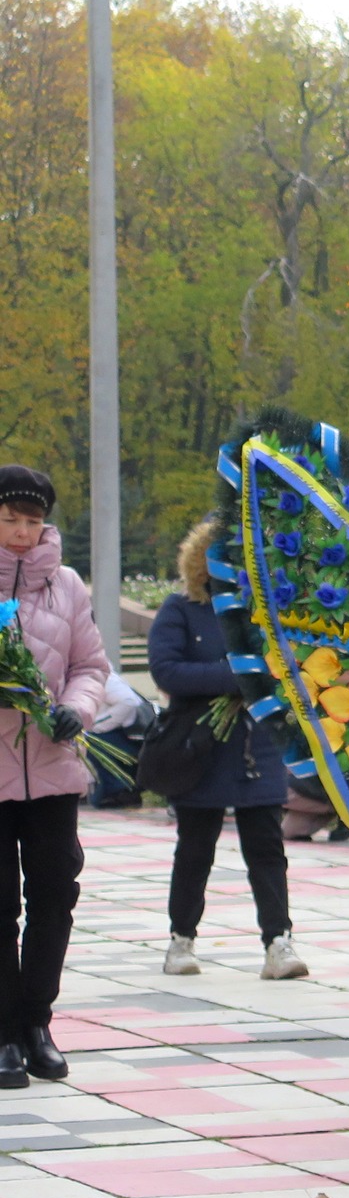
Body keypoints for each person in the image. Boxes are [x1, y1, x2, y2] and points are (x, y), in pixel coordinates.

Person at [150, 518, 306, 983]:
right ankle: (181, 938)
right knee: (195, 848)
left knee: (267, 847)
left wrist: (267, 678)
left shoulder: (268, 611)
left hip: (258, 746)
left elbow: (292, 665)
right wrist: (236, 676)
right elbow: (166, 670)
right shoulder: (182, 609)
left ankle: (278, 941)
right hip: (201, 747)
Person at [0, 466, 109, 1089]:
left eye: (32, 520)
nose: (22, 532)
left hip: (53, 768)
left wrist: (76, 708)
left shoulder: (66, 584)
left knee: (54, 896)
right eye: (10, 519)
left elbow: (90, 665)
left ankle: (37, 1023)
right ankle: (4, 1033)